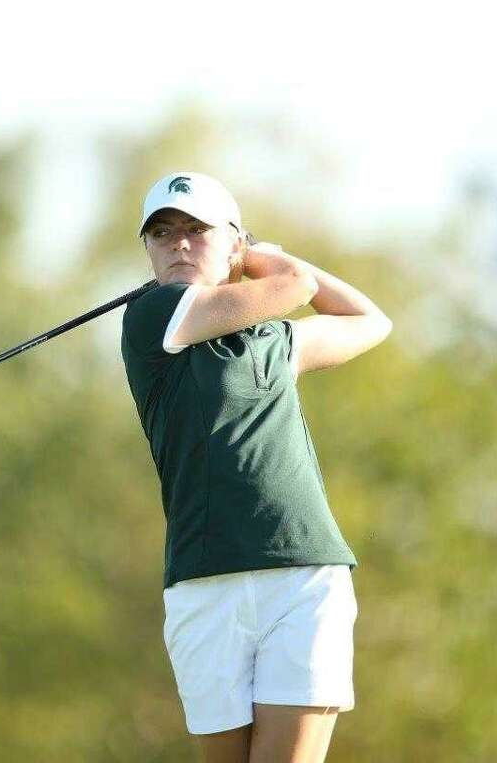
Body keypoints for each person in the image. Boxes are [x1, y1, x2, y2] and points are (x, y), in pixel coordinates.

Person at [120, 172, 393, 763]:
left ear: (233, 242)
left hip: (302, 576)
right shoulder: (151, 314)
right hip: (203, 582)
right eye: (162, 233)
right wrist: (268, 263)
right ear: (147, 251)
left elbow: (372, 322)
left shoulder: (277, 342)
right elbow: (294, 285)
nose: (179, 244)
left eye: (197, 230)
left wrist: (261, 257)